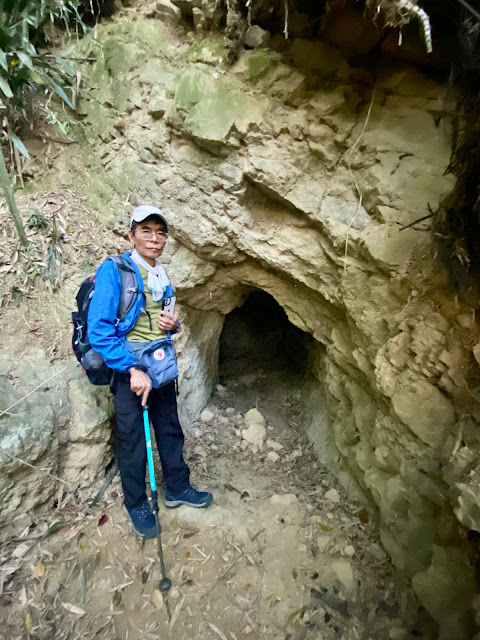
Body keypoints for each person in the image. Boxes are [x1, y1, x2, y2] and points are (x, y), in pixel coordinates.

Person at [87, 204, 213, 539]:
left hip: (162, 365)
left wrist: (174, 324)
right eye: (146, 231)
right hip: (131, 368)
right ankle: (136, 502)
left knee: (170, 429)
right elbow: (98, 330)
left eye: (160, 233)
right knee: (133, 440)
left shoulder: (163, 274)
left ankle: (177, 487)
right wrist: (131, 369)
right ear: (132, 235)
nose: (154, 239)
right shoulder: (116, 270)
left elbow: (170, 315)